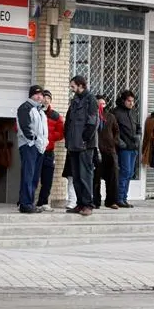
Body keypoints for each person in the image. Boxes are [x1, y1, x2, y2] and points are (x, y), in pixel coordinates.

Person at [64, 76, 98, 217]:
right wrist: (68, 140)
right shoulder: (74, 100)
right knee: (76, 176)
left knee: (85, 176)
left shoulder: (90, 100)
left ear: (80, 85)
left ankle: (88, 204)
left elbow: (92, 123)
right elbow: (68, 122)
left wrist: (84, 140)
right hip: (73, 145)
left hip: (85, 145)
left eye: (73, 86)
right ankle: (80, 203)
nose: (71, 89)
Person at [16, 85, 48, 214]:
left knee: (34, 177)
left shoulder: (40, 110)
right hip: (29, 146)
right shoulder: (26, 107)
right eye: (36, 94)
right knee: (28, 176)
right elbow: (25, 127)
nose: (39, 96)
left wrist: (44, 142)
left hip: (39, 147)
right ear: (31, 95)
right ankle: (25, 203)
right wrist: (33, 140)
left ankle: (29, 203)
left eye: (41, 94)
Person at [36, 90, 64, 212]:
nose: (46, 100)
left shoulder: (55, 116)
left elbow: (61, 132)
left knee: (47, 180)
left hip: (48, 152)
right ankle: (25, 201)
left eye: (49, 98)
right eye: (44, 97)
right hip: (36, 151)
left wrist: (48, 136)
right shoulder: (34, 112)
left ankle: (43, 202)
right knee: (32, 178)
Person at [113, 90, 140, 209]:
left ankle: (124, 198)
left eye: (133, 101)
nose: (131, 103)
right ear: (123, 101)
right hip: (123, 148)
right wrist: (120, 142)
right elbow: (112, 130)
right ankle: (119, 198)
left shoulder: (133, 113)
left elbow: (138, 126)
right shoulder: (116, 113)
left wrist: (139, 135)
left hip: (133, 147)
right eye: (129, 101)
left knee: (129, 173)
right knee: (124, 172)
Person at [93, 94, 121, 210]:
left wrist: (113, 143)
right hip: (96, 149)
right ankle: (96, 201)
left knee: (113, 176)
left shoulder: (110, 117)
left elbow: (116, 131)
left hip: (110, 150)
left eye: (103, 103)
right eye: (99, 103)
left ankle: (111, 201)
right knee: (96, 177)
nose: (101, 105)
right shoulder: (93, 116)